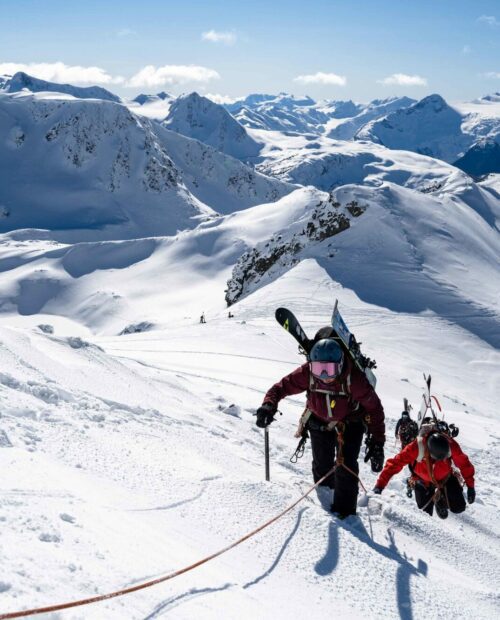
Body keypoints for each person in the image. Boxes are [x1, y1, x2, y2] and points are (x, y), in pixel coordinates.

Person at [256, 329, 385, 518]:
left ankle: (345, 515)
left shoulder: (353, 379)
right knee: (321, 465)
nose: (324, 375)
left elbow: (374, 408)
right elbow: (280, 387)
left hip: (350, 423)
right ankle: (324, 498)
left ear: (340, 364)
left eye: (330, 370)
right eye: (318, 369)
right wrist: (269, 405)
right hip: (319, 420)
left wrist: (377, 441)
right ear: (311, 365)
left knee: (346, 466)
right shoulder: (307, 373)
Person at [373, 431, 475, 519]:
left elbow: (464, 464)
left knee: (459, 507)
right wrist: (379, 486)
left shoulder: (451, 445)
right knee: (425, 515)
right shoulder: (416, 447)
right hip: (422, 481)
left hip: (445, 478)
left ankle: (440, 500)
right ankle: (437, 498)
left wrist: (471, 486)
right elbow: (395, 464)